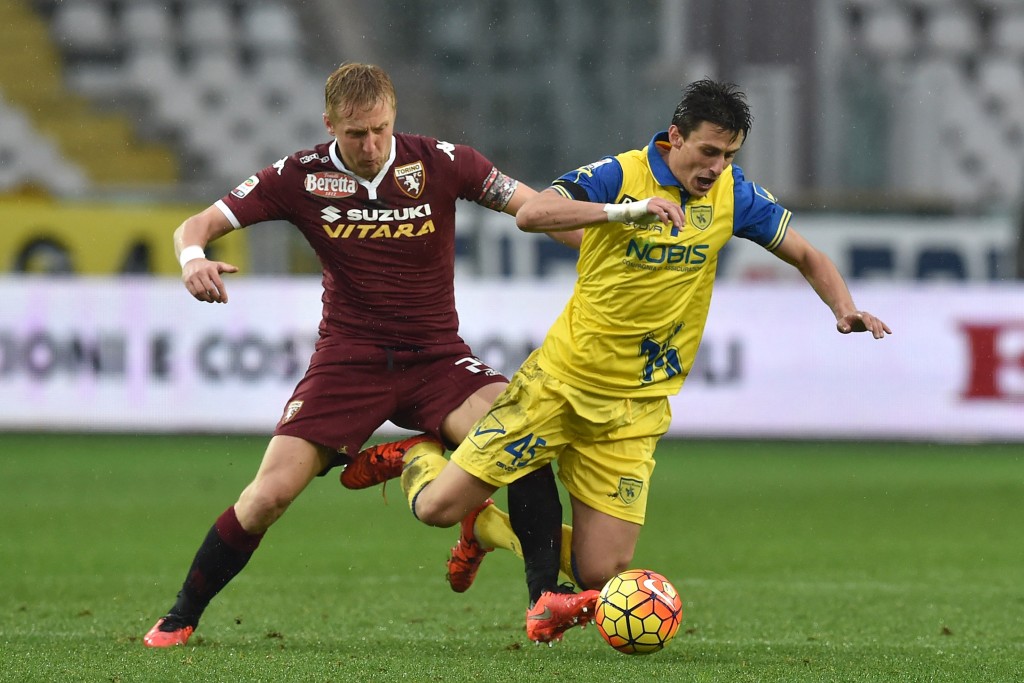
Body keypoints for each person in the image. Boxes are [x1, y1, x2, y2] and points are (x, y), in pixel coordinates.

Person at [343, 78, 893, 643]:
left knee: (601, 573)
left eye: (729, 156)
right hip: (559, 387)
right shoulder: (620, 174)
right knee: (435, 506)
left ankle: (485, 530)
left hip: (636, 409)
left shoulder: (733, 194)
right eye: (708, 152)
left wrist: (844, 308)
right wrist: (621, 214)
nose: (716, 167)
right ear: (675, 137)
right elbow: (532, 214)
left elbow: (805, 253)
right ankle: (419, 453)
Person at [143, 62, 583, 647]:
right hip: (349, 362)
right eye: (356, 134)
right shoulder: (297, 175)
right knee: (268, 495)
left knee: (521, 435)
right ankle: (180, 617)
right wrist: (192, 258)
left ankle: (543, 601)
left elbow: (540, 212)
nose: (372, 145)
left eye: (380, 129)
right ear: (329, 124)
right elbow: (193, 226)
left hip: (438, 360)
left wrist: (610, 238)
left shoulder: (444, 162)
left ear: (394, 117)